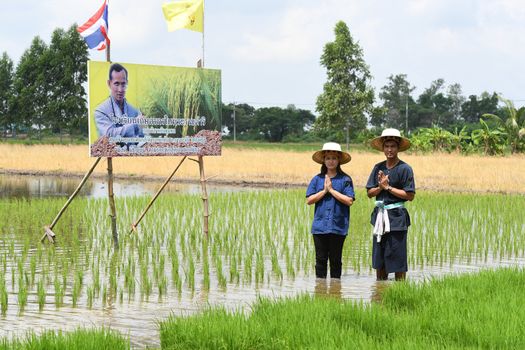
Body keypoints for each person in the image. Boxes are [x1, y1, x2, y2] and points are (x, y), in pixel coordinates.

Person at [366, 128, 415, 281]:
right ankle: (380, 290)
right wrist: (380, 187)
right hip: (380, 217)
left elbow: (410, 195)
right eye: (386, 146)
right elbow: (369, 193)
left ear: (398, 148)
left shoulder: (405, 169)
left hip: (397, 219)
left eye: (393, 146)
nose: (389, 150)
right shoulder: (377, 167)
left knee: (398, 257)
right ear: (382, 148)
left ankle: (400, 289)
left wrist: (388, 188)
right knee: (379, 258)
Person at [306, 142, 355, 279]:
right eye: (328, 158)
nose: (331, 161)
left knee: (335, 260)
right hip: (319, 227)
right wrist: (324, 191)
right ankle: (320, 291)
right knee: (320, 260)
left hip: (338, 226)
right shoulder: (317, 179)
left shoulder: (345, 179)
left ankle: (335, 291)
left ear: (339, 160)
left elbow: (349, 200)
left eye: (334, 158)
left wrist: (332, 190)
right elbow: (309, 200)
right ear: (324, 160)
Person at [95, 63, 144, 139]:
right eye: (116, 84)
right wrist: (134, 124)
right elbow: (109, 134)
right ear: (109, 83)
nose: (120, 90)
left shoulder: (134, 112)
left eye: (123, 84)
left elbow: (141, 137)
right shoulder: (101, 111)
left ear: (127, 83)